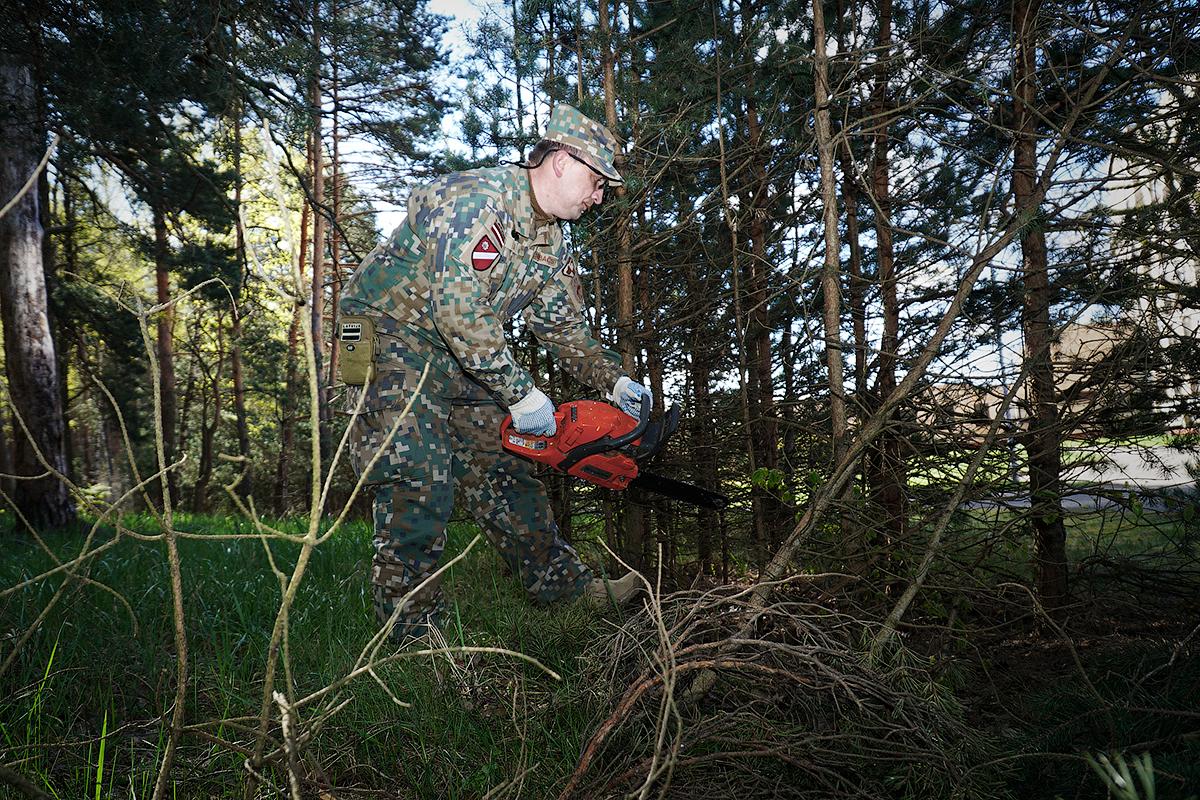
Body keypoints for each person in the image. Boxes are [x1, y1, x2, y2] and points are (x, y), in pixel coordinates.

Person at [339, 104, 647, 643]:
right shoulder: (477, 201)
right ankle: (408, 630)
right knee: (416, 469)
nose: (598, 197)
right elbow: (458, 310)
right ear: (560, 162)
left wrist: (613, 380)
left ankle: (565, 588)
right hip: (380, 333)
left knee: (506, 463)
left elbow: (562, 328)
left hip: (455, 350)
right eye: (596, 181)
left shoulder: (549, 244)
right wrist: (521, 393)